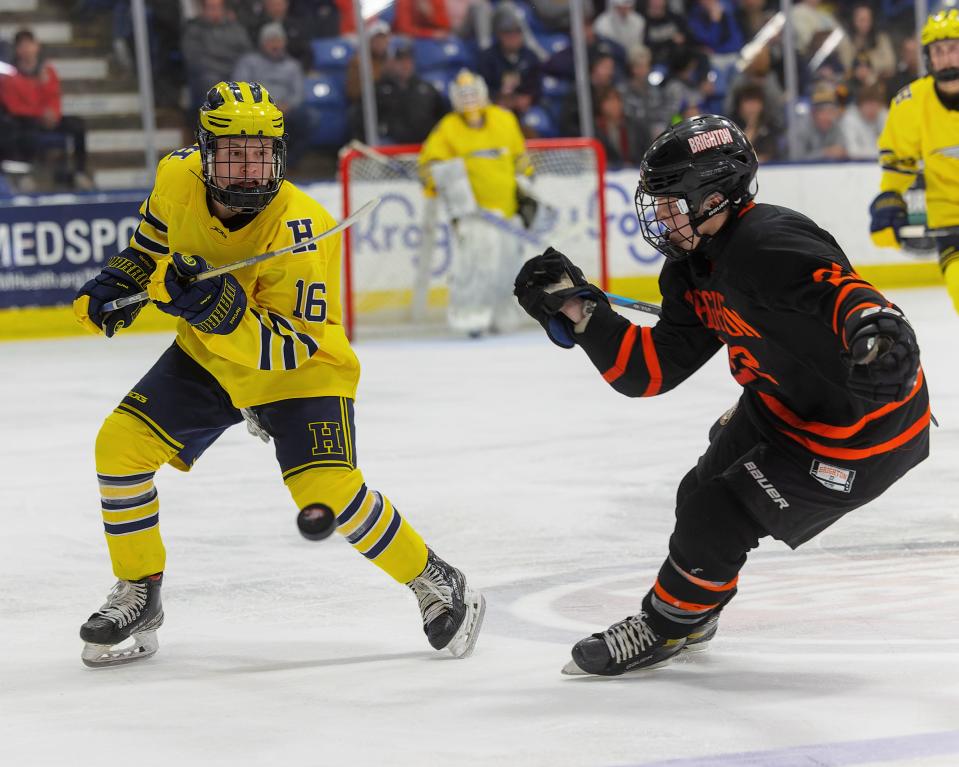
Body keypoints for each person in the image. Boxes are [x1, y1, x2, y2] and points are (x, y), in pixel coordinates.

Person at [71, 81, 485, 668]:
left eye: (261, 154)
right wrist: (120, 279)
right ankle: (140, 591)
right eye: (235, 154)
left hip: (303, 370)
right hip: (213, 357)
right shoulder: (176, 176)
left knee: (327, 489)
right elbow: (151, 241)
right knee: (119, 447)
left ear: (279, 155)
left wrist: (222, 314)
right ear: (206, 152)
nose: (249, 170)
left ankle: (436, 580)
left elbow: (291, 346)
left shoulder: (300, 230)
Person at [514, 114, 929, 676]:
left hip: (862, 429)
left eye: (670, 200)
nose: (659, 214)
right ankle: (698, 608)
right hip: (781, 405)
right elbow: (653, 370)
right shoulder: (690, 269)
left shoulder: (769, 242)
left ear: (713, 196)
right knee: (699, 489)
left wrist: (880, 331)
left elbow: (848, 296)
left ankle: (665, 628)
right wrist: (582, 313)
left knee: (719, 510)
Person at [418, 70, 535, 336]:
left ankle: (502, 317)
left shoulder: (504, 120)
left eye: (473, 92)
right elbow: (427, 166)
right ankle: (470, 318)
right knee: (474, 268)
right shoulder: (448, 128)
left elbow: (520, 159)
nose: (469, 99)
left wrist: (526, 187)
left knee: (508, 268)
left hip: (507, 213)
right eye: (462, 94)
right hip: (473, 216)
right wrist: (437, 177)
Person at [870, 10, 959, 315]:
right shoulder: (910, 104)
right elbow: (899, 165)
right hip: (951, 224)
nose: (946, 58)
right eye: (939, 50)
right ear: (928, 57)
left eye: (954, 48)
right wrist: (890, 199)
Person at [0, 28, 92, 190]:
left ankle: (79, 172)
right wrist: (39, 112)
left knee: (78, 125)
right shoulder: (10, 73)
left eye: (30, 45)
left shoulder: (47, 71)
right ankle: (24, 175)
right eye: (23, 46)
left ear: (37, 46)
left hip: (47, 118)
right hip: (25, 119)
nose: (27, 49)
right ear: (17, 49)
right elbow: (13, 105)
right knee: (17, 128)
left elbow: (54, 95)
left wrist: (53, 114)